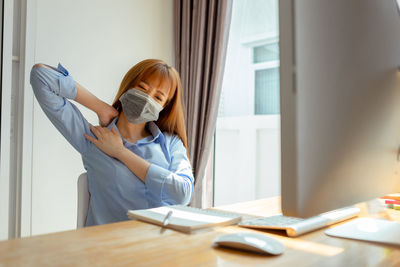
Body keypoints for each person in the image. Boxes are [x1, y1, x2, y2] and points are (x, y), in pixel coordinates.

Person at [30, 59, 194, 226]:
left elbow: (183, 194)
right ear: (128, 86)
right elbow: (40, 76)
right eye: (142, 88)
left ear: (164, 107)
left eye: (158, 97)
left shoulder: (171, 143)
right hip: (109, 246)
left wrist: (121, 153)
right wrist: (100, 107)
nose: (146, 98)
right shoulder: (94, 138)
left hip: (158, 245)